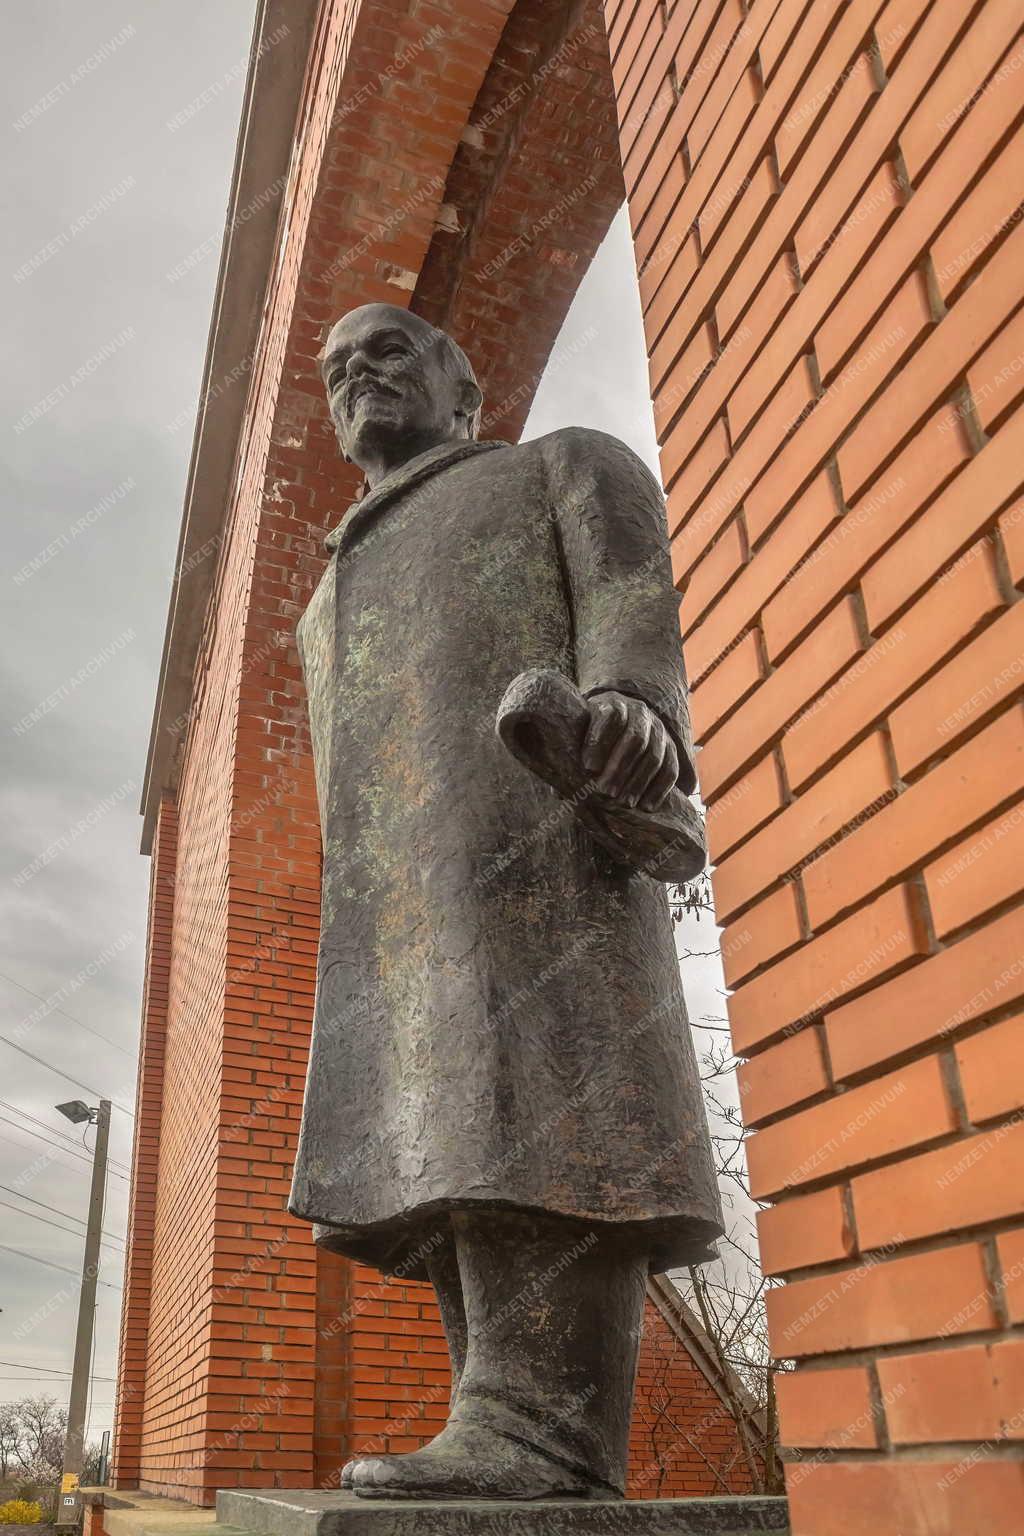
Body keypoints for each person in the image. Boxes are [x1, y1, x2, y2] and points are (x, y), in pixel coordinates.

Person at [290, 302, 722, 1500]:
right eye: (335, 370)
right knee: (441, 1138)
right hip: (405, 907)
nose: (358, 376)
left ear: (466, 391)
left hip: (541, 841)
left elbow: (634, 613)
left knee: (546, 1104)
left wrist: (636, 710)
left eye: (389, 351)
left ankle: (543, 1428)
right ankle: (504, 1414)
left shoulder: (555, 467)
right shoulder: (328, 599)